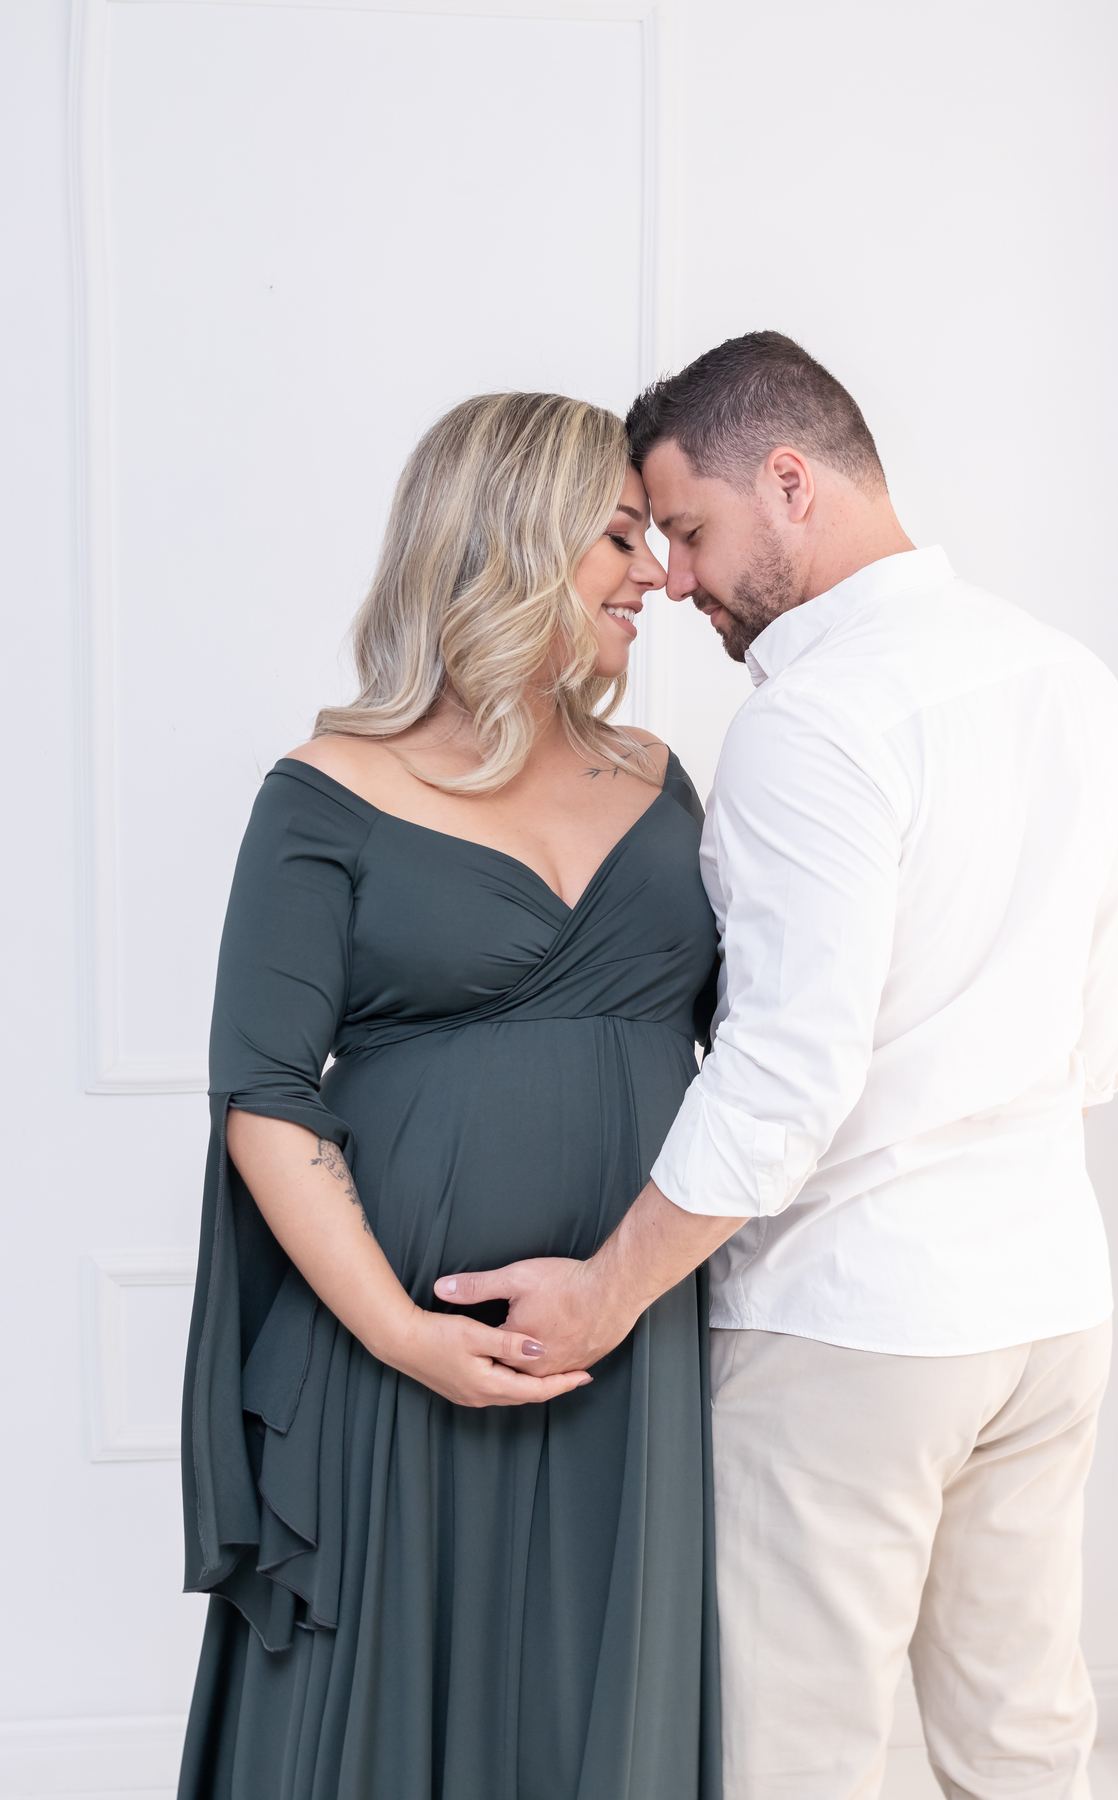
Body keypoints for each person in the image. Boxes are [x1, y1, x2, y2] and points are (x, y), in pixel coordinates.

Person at [436, 333, 1118, 1800]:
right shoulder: (1067, 676)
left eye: (689, 530)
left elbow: (781, 1081)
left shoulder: (814, 720)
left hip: (850, 1324)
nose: (674, 578)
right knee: (1023, 1745)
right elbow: (1103, 1032)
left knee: (788, 1764)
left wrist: (603, 1294)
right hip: (1048, 1303)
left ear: (790, 480)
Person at [177, 392, 722, 1800]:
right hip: (402, 1346)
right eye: (620, 537)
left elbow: (756, 1044)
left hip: (630, 1335)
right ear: (517, 539)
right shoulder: (327, 791)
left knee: (599, 1711)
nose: (657, 575)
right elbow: (265, 1096)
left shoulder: (660, 780)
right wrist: (406, 1337)